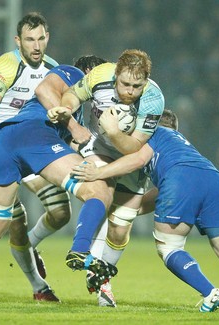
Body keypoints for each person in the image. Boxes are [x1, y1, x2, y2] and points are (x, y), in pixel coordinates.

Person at [72, 109, 219, 314]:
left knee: (169, 247)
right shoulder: (182, 144)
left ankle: (210, 293)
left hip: (180, 179)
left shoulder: (151, 134)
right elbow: (159, 194)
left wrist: (98, 174)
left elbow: (139, 160)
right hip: (212, 177)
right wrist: (124, 209)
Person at [0, 64, 117, 306]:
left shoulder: (76, 110)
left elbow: (70, 148)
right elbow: (43, 90)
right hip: (33, 138)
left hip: (6, 142)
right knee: (99, 189)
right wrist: (75, 128)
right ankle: (81, 250)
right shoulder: (75, 74)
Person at [47, 49, 165, 307]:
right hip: (97, 147)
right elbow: (72, 94)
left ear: (146, 80)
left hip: (130, 160)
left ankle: (100, 274)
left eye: (137, 85)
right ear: (115, 75)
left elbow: (133, 148)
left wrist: (113, 131)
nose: (130, 91)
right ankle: (87, 262)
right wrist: (66, 109)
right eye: (124, 84)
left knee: (120, 229)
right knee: (99, 191)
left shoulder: (154, 99)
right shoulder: (100, 75)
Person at [0, 11, 63, 301]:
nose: (36, 46)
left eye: (40, 39)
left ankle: (31, 246)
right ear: (18, 41)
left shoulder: (53, 69)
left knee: (61, 211)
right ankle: (39, 288)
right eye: (29, 39)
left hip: (29, 147)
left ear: (47, 38)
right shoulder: (6, 66)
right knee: (16, 223)